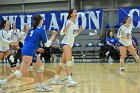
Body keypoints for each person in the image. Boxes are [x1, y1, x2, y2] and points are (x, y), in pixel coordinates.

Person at [0, 14, 57, 92]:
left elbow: (28, 41)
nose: (43, 20)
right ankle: (2, 82)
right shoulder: (41, 30)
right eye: (42, 19)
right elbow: (47, 44)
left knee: (40, 66)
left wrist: (37, 48)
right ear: (40, 20)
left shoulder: (31, 29)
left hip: (28, 50)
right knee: (20, 72)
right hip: (28, 51)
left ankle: (41, 85)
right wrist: (53, 36)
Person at [51, 9, 83, 86]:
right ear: (71, 14)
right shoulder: (68, 22)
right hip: (66, 43)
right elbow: (62, 33)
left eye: (76, 12)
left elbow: (74, 34)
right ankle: (69, 80)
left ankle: (55, 79)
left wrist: (80, 31)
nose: (76, 13)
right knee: (69, 61)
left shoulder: (76, 23)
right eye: (75, 12)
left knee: (62, 63)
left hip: (70, 44)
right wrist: (67, 27)